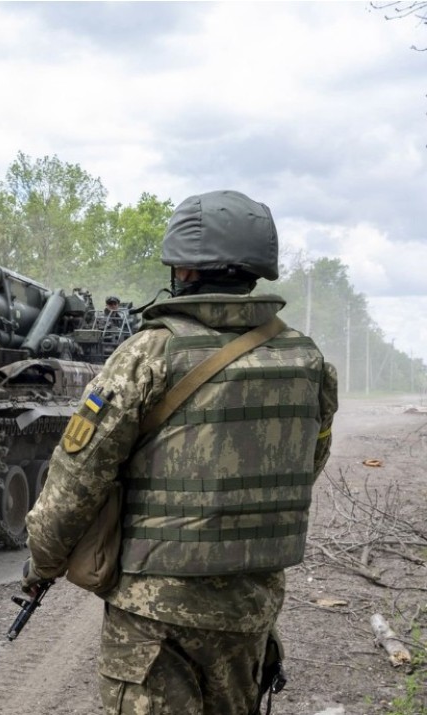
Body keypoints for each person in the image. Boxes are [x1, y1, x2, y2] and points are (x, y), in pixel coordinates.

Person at [21, 190, 339, 715]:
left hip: (153, 617)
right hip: (248, 607)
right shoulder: (308, 360)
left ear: (183, 271)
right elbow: (307, 466)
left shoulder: (148, 354)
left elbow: (77, 478)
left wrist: (44, 562)